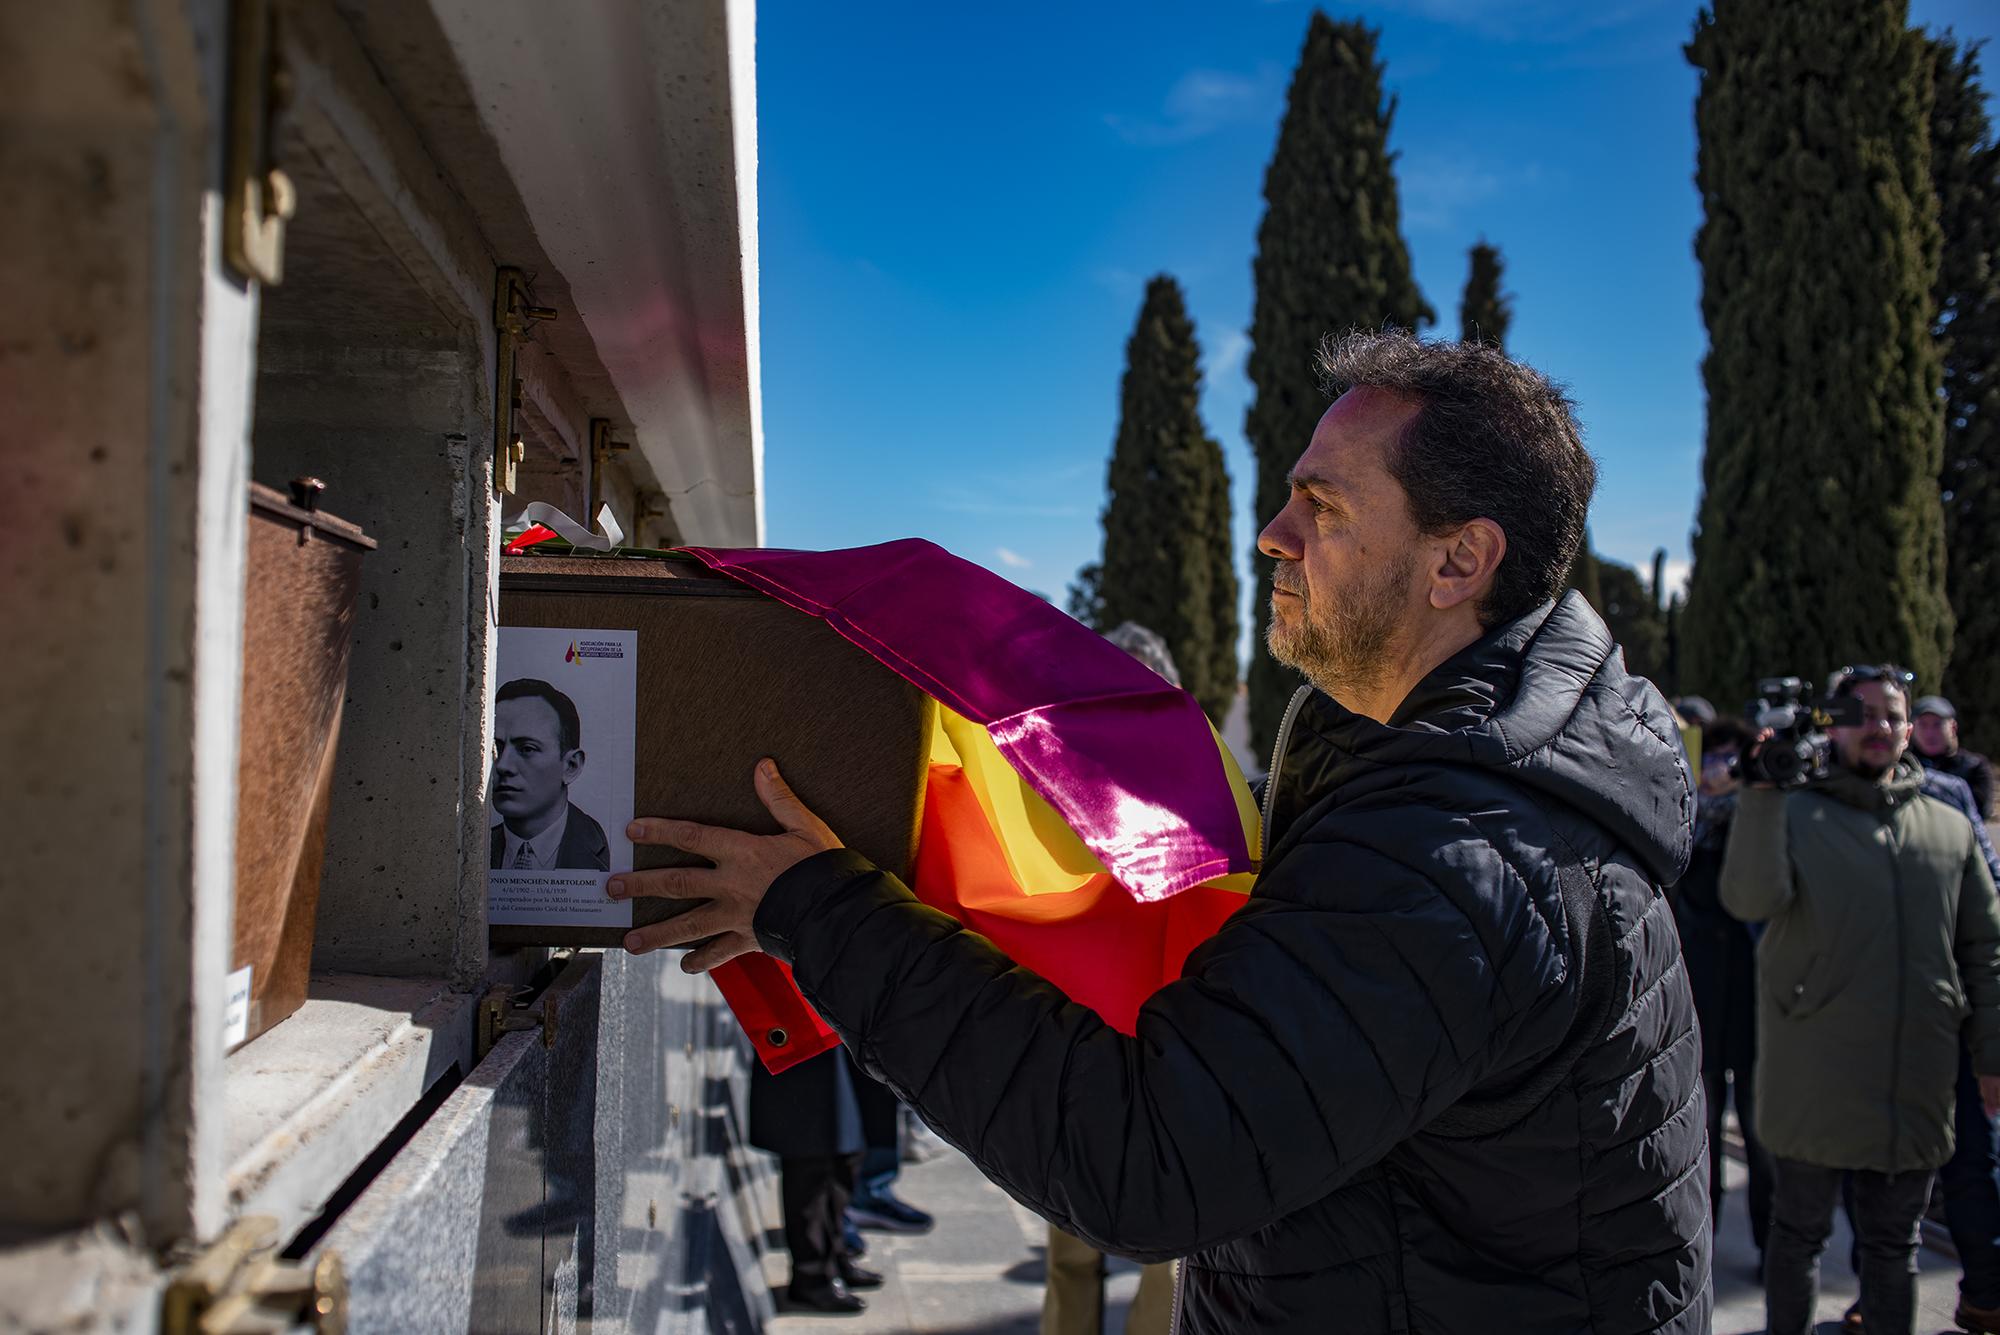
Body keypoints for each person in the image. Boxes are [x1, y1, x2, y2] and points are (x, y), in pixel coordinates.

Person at [609, 331, 1710, 1333]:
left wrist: (821, 910)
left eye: (1321, 509)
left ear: (1457, 561)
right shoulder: (1425, 782)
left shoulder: (1459, 849)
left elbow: (1145, 1162)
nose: (1272, 536)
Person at [1721, 665, 2000, 1335]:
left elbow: (1985, 950)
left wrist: (1991, 1054)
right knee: (1799, 1236)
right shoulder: (1791, 811)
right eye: (1861, 712)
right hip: (1813, 1076)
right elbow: (1748, 899)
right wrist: (1759, 792)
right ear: (1833, 725)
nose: (1877, 724)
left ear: (1910, 728)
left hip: (1915, 1080)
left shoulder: (1948, 826)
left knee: (1891, 1247)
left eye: (1891, 713)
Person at [1669, 716, 1774, 1265]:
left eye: (1731, 760)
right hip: (1699, 1010)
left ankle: (1770, 1246)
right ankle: (1699, 1249)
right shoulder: (1678, 828)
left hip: (1756, 1010)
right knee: (1701, 1136)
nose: (1718, 773)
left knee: (1761, 1137)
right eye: (1709, 758)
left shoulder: (1761, 828)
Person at [749, 1047, 885, 1313]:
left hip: (829, 1025)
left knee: (845, 1150)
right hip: (800, 1027)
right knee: (811, 1151)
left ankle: (833, 1258)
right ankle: (812, 1278)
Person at [489, 677, 610, 871]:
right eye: (495, 748)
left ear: (571, 766)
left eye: (527, 749)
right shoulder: (471, 846)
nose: (503, 765)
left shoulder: (601, 849)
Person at [1915, 694, 1995, 821]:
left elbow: (1979, 813)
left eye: (1937, 725)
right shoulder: (1904, 764)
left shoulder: (1973, 767)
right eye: (1923, 725)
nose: (1929, 733)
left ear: (1953, 727)